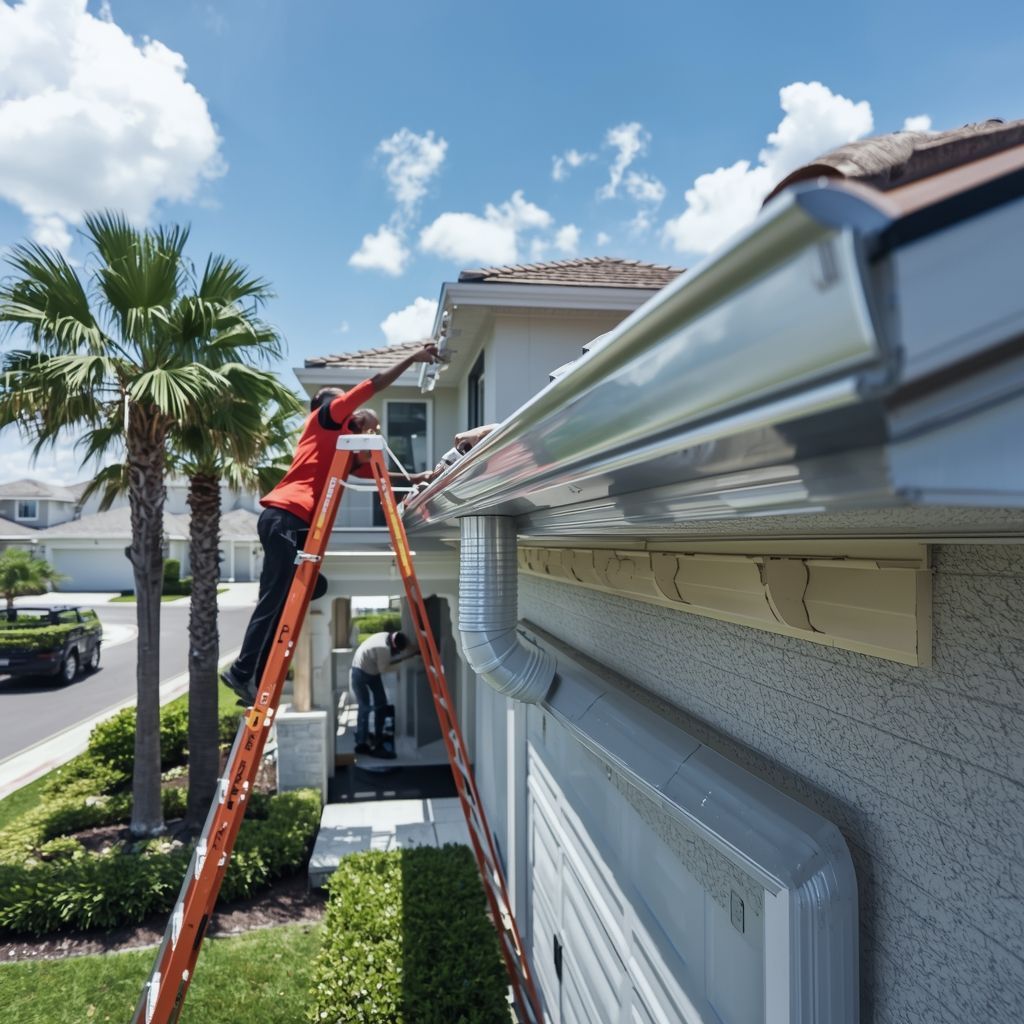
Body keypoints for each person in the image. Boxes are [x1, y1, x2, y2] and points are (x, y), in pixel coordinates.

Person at [220, 342, 439, 706]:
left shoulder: (340, 448)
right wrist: (413, 358)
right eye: (342, 401)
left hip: (292, 524)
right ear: (327, 405)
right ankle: (241, 671)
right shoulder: (324, 418)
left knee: (304, 591)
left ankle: (253, 680)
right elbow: (371, 386)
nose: (349, 406)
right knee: (273, 599)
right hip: (285, 517)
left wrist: (416, 479)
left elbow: (374, 474)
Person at [349, 630, 417, 757]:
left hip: (370, 669)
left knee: (381, 702)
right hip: (360, 673)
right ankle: (361, 743)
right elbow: (384, 669)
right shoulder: (384, 649)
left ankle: (377, 734)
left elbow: (387, 662)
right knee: (365, 707)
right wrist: (404, 664)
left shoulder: (385, 636)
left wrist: (411, 654)